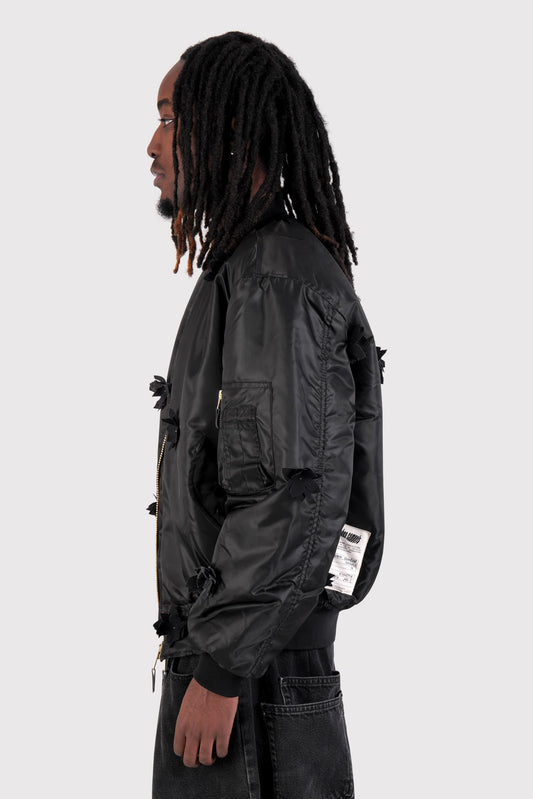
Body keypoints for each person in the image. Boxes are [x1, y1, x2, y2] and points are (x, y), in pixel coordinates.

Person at [146, 31, 385, 799]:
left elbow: (291, 489)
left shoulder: (273, 277)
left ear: (229, 130)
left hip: (250, 677)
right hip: (252, 660)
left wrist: (221, 666)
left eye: (170, 119)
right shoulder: (254, 268)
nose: (151, 145)